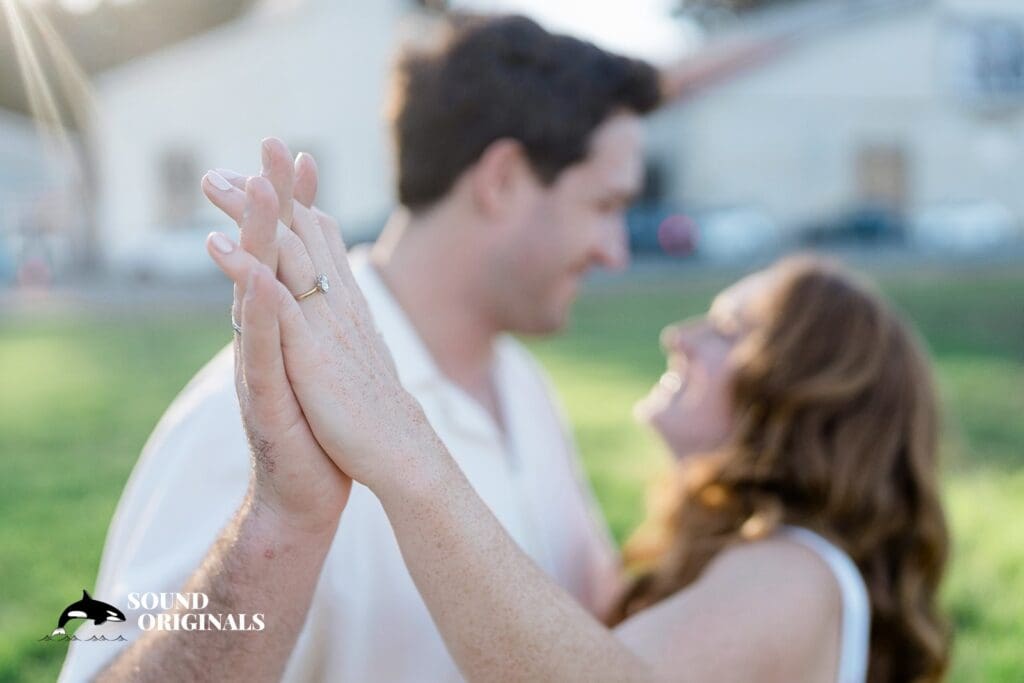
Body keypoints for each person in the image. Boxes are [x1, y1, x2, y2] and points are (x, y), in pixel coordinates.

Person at [119, 182, 949, 682]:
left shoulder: (796, 572)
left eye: (731, 329)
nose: (679, 334)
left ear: (811, 392)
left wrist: (400, 442)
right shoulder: (709, 547)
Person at [60, 15, 660, 682]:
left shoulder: (522, 384)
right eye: (605, 204)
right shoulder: (260, 413)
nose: (617, 251)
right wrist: (278, 525)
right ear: (503, 178)